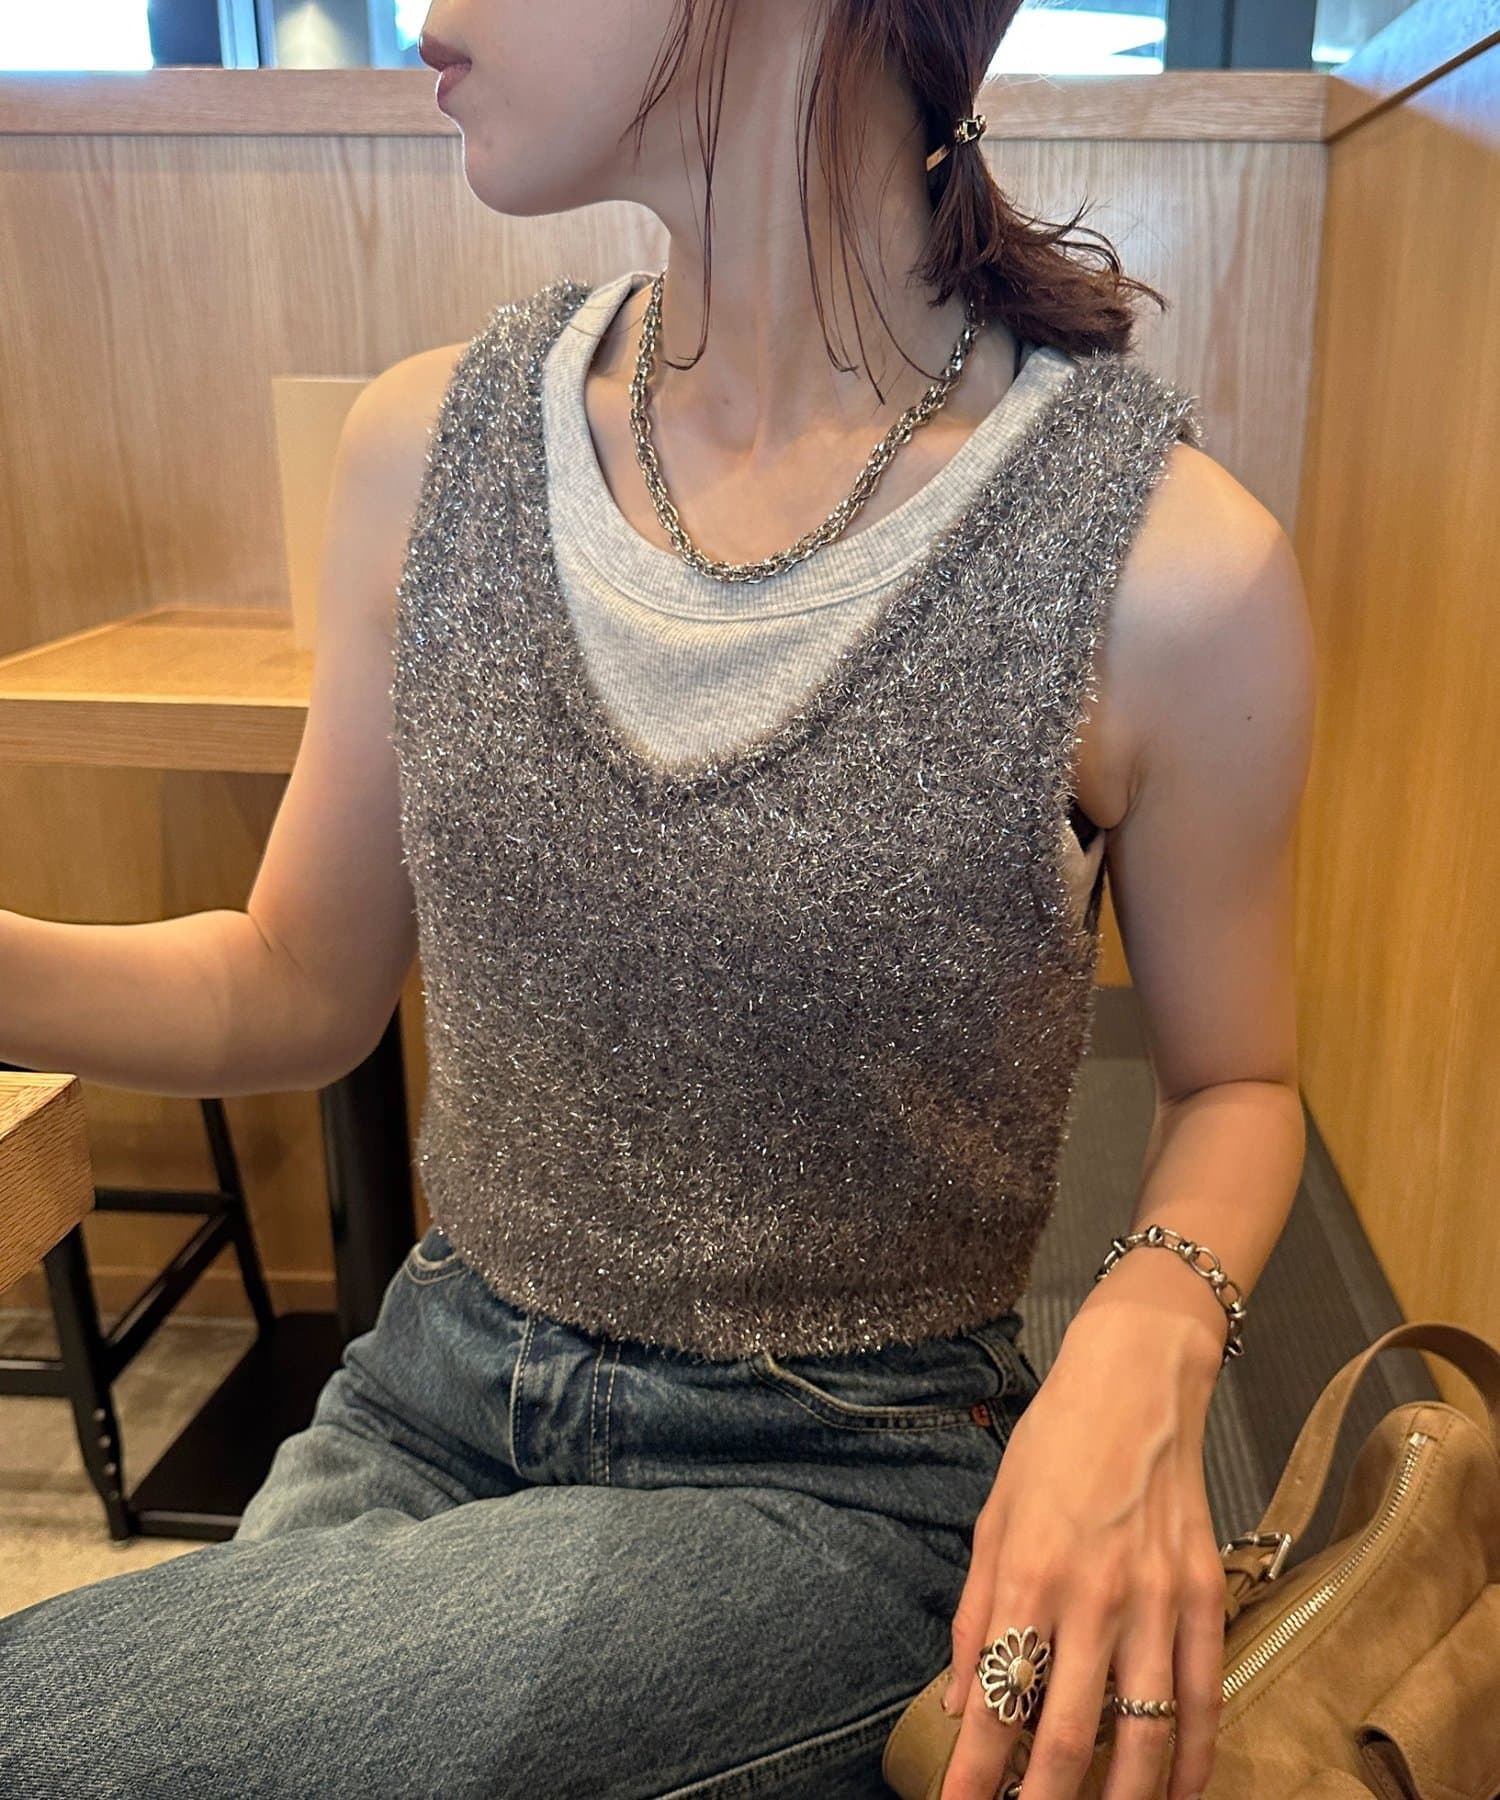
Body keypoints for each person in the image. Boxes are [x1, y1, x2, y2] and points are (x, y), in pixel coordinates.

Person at [0, 2, 1315, 1796]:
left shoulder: (1167, 567)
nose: (432, 15)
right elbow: (296, 978)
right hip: (429, 1394)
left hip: (833, 1482)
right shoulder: (431, 448)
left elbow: (1239, 1083)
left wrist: (1144, 1345)